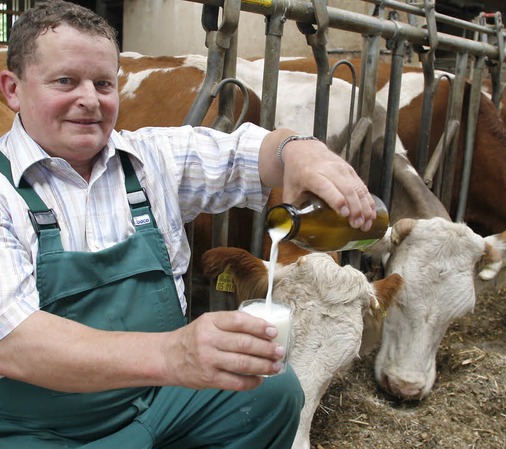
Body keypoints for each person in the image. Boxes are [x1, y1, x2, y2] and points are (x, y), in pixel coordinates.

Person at [0, 1, 378, 447]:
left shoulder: (150, 158)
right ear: (13, 90)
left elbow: (249, 153)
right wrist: (174, 354)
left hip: (156, 400)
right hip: (47, 428)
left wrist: (299, 150)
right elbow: (16, 343)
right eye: (65, 81)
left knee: (271, 392)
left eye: (103, 83)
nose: (90, 99)